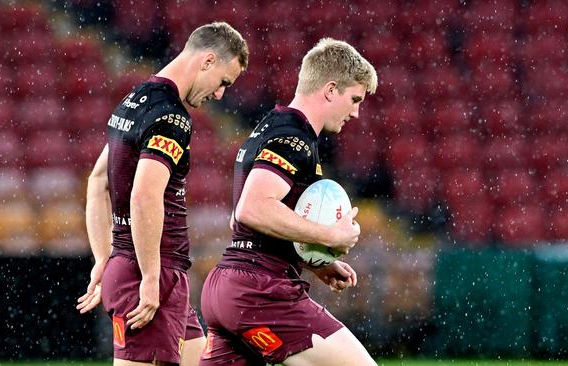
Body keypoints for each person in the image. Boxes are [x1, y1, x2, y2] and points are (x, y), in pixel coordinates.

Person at [76, 22, 249, 366]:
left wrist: (103, 258)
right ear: (208, 61)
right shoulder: (172, 117)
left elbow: (98, 181)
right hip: (150, 274)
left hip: (141, 269)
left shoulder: (135, 99)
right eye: (223, 82)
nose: (219, 95)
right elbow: (143, 195)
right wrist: (151, 277)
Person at [199, 38, 378, 366]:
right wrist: (330, 237)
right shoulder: (294, 138)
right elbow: (252, 209)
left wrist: (314, 261)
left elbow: (240, 223)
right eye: (354, 99)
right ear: (330, 89)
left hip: (227, 287)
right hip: (261, 292)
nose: (355, 112)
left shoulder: (270, 125)